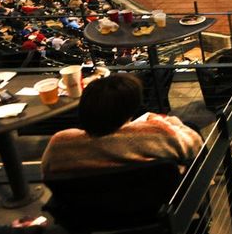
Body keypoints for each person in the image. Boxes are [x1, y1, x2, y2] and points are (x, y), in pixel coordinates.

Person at [41, 74, 203, 175]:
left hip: (89, 215)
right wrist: (169, 121)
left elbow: (48, 175)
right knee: (190, 127)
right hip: (153, 207)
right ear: (130, 110)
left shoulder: (59, 143)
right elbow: (196, 146)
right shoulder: (158, 133)